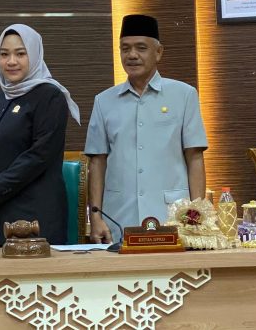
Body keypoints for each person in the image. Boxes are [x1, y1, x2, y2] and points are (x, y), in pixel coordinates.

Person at [85, 14, 208, 244]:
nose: (132, 55)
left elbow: (195, 158)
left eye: (141, 48)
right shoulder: (104, 101)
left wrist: (196, 214)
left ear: (158, 52)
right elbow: (97, 162)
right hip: (118, 217)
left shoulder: (184, 95)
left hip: (172, 216)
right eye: (125, 48)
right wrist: (96, 217)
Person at [0, 24, 80, 247]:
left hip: (35, 217)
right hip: (2, 214)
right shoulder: (0, 97)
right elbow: (13, 149)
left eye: (20, 54)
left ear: (34, 55)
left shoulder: (50, 96)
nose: (11, 61)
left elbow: (39, 156)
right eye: (4, 54)